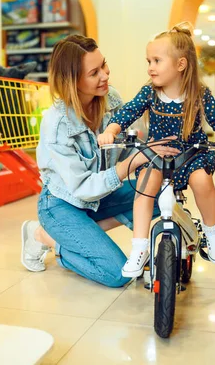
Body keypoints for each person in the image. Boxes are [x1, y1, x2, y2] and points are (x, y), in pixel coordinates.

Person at [20, 35, 179, 288]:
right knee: (117, 274)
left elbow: (129, 147)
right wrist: (133, 162)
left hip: (101, 197)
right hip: (63, 205)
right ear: (73, 81)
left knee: (161, 196)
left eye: (103, 65)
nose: (105, 75)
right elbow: (83, 188)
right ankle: (45, 236)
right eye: (94, 73)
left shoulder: (111, 99)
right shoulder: (57, 125)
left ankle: (86, 231)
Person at [98, 22, 215, 278]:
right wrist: (113, 130)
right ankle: (139, 247)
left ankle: (211, 229)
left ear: (180, 65)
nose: (150, 67)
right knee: (144, 186)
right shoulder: (149, 93)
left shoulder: (199, 93)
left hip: (191, 154)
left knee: (202, 181)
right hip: (158, 155)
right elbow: (128, 112)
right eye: (148, 61)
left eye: (157, 60)